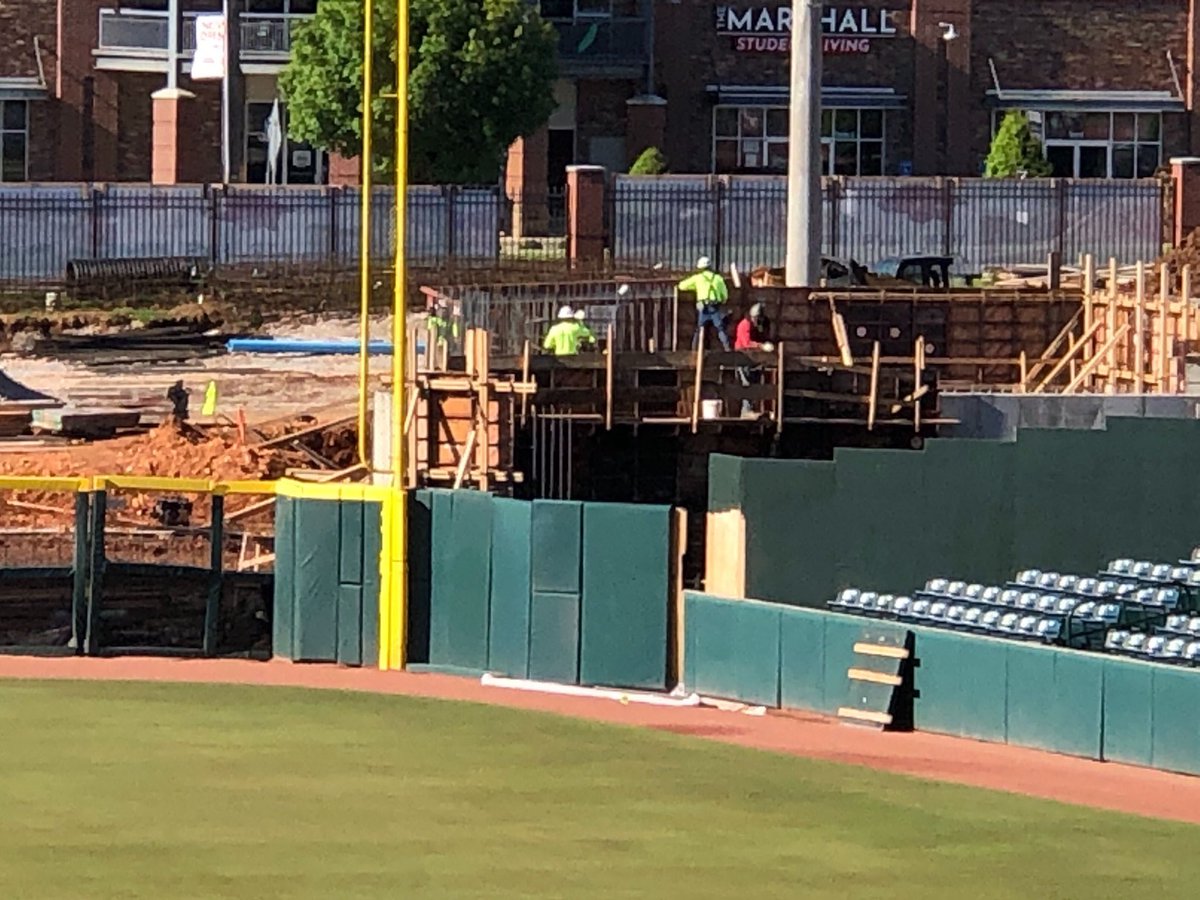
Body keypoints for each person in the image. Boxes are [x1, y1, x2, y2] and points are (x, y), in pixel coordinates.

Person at [678, 256, 731, 350]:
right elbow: (725, 296)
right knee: (720, 329)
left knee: (699, 328)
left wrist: (695, 287)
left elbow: (681, 286)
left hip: (703, 307)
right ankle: (727, 349)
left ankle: (694, 350)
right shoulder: (718, 278)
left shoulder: (697, 278)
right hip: (715, 307)